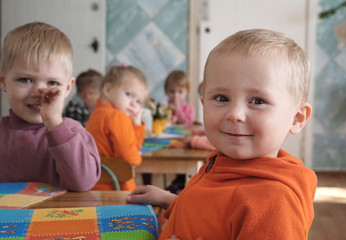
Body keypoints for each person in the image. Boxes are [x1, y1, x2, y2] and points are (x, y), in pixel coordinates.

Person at [127, 29, 317, 239]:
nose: (234, 114)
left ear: (297, 118)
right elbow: (212, 212)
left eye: (258, 101)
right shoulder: (222, 160)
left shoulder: (274, 202)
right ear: (203, 104)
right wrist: (169, 200)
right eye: (221, 98)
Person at [0, 22, 101, 191]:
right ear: (3, 81)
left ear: (68, 88)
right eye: (25, 80)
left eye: (52, 82)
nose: (39, 92)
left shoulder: (73, 132)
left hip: (59, 216)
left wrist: (54, 123)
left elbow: (83, 183)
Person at [86, 65, 148, 191]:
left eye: (138, 101)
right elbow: (131, 159)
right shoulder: (118, 117)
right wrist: (137, 158)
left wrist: (136, 123)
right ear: (108, 90)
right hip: (115, 187)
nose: (133, 103)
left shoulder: (97, 113)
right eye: (129, 94)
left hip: (93, 184)